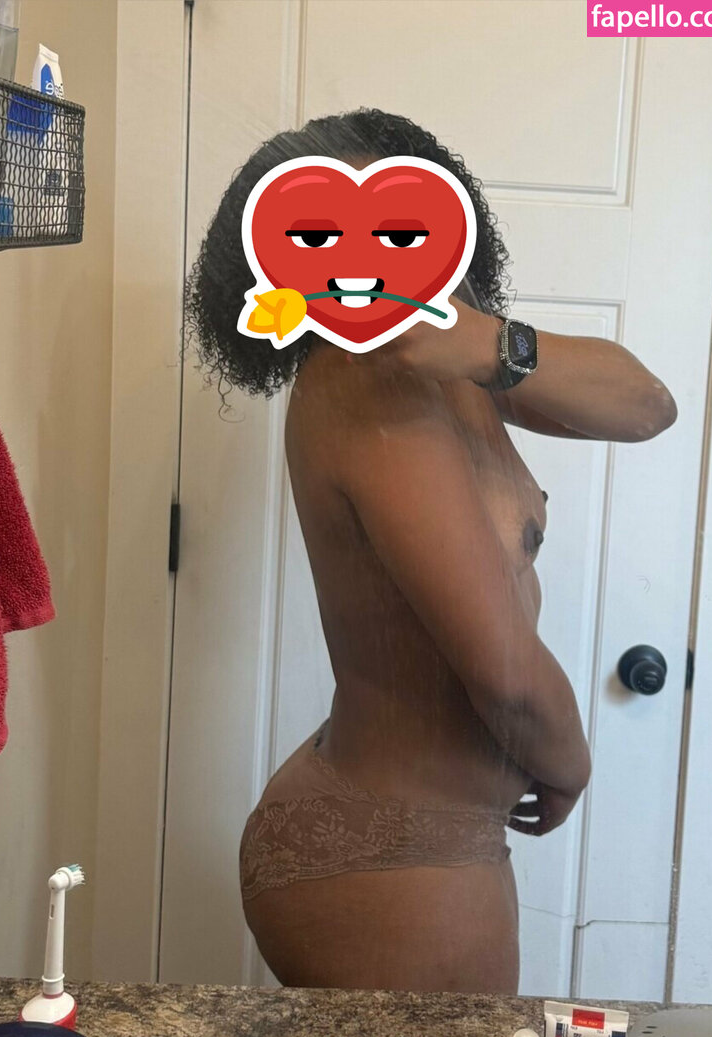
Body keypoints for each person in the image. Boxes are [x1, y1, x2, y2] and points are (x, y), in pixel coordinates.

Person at [185, 108, 677, 992]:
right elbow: (504, 674)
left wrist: (488, 341)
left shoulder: (451, 365)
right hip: (386, 858)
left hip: (428, 840)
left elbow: (645, 406)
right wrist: (567, 767)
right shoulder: (364, 384)